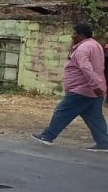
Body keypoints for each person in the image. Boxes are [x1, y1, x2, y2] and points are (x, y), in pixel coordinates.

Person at [31, 22, 107, 152]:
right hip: (94, 90)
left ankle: (48, 136)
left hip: (81, 90)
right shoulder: (95, 45)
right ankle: (104, 142)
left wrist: (94, 84)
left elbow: (85, 67)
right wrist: (97, 85)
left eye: (74, 33)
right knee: (94, 117)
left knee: (62, 111)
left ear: (81, 35)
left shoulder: (83, 48)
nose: (72, 36)